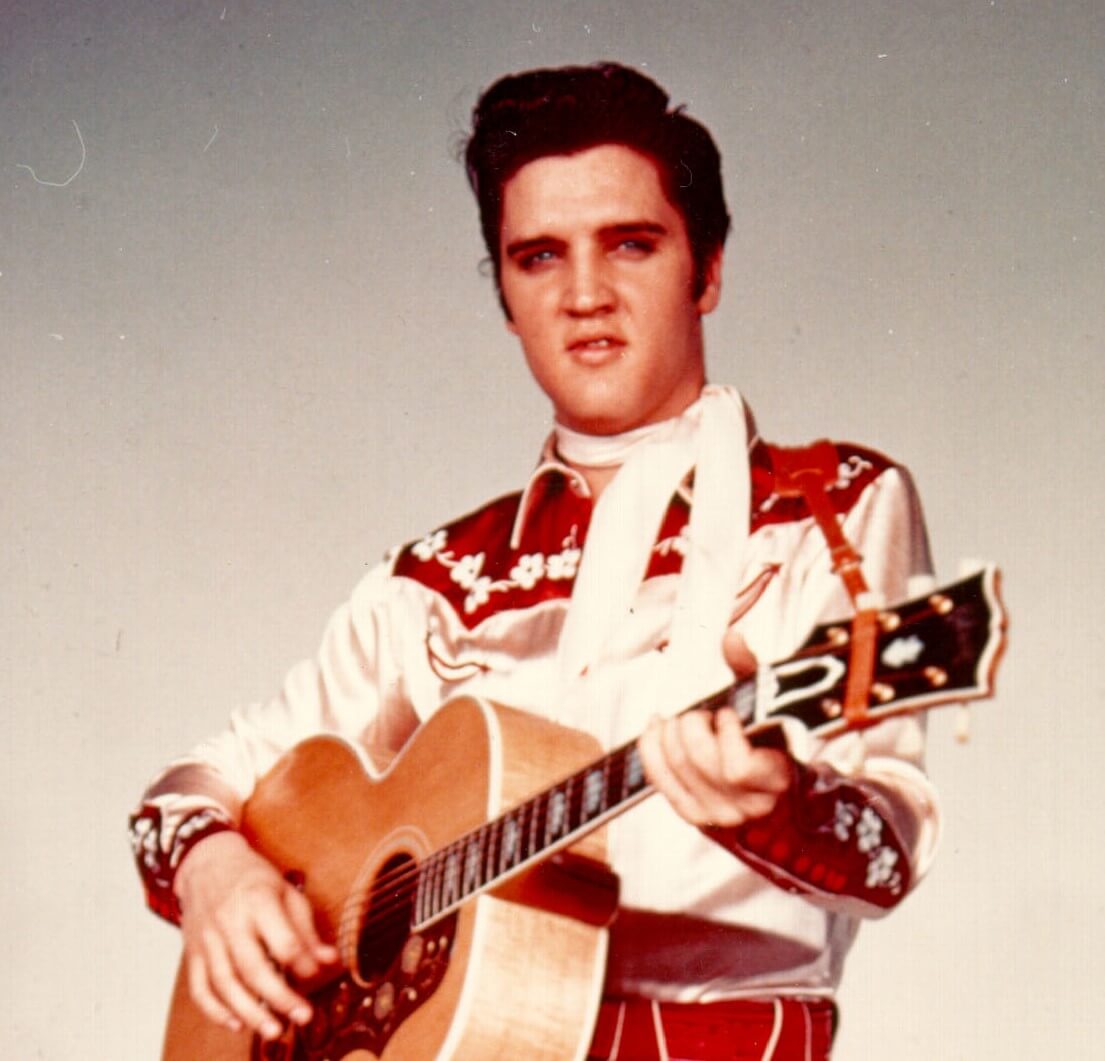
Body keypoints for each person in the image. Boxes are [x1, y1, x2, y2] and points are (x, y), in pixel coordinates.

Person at [130, 62, 940, 1059]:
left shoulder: (833, 507)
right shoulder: (430, 580)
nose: (585, 295)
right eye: (539, 257)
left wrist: (781, 802)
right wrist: (213, 864)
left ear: (708, 266)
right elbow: (199, 782)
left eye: (630, 245)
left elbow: (887, 844)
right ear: (505, 296)